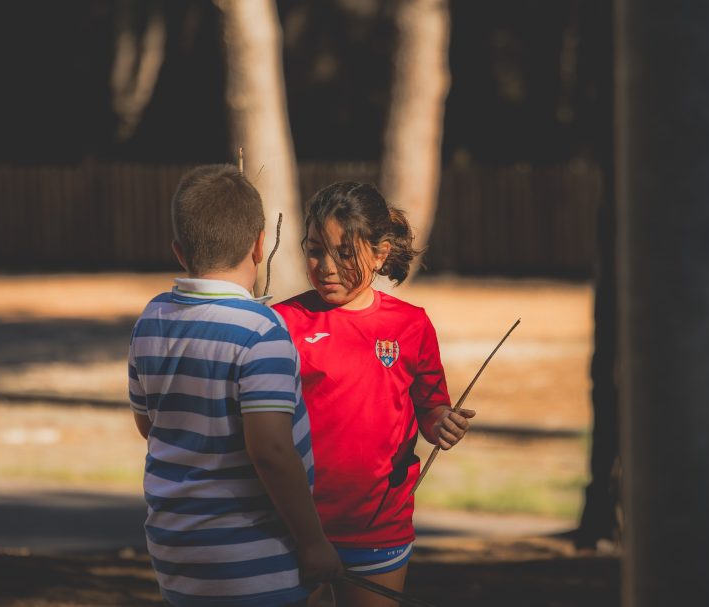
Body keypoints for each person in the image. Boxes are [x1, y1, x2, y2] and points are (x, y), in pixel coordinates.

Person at [128, 164, 343, 607]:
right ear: (260, 244)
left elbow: (148, 423)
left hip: (175, 549)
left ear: (179, 251)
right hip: (251, 553)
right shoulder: (260, 331)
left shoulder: (153, 317)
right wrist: (313, 541)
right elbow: (271, 451)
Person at [273, 182, 474, 606]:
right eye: (314, 249)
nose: (325, 266)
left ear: (380, 253)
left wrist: (444, 423)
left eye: (344, 253)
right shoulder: (280, 324)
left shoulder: (411, 324)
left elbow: (430, 408)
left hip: (378, 529)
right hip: (292, 527)